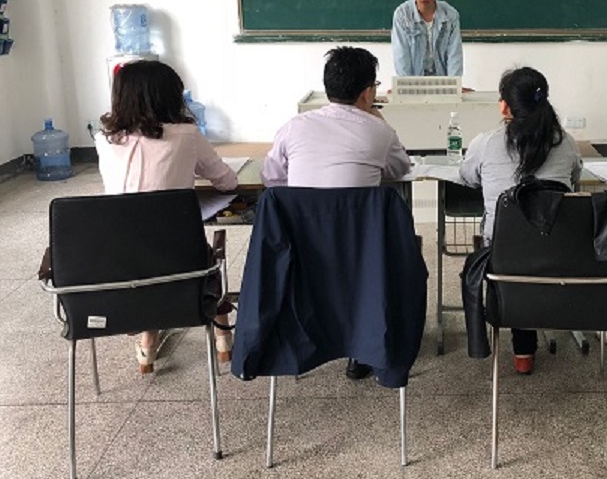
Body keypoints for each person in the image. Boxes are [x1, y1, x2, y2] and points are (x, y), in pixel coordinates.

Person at [261, 46, 411, 379]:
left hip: (301, 258)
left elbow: (271, 179)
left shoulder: (293, 127)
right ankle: (362, 348)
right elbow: (401, 169)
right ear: (368, 92)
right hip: (362, 261)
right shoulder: (379, 132)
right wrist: (378, 120)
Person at [95, 60, 238, 374]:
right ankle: (223, 336)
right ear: (170, 96)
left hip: (120, 263)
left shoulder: (104, 140)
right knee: (202, 253)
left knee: (144, 245)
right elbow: (227, 182)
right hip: (181, 261)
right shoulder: (187, 134)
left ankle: (148, 341)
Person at [459, 67, 582, 375]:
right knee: (531, 243)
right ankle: (526, 348)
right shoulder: (566, 143)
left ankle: (523, 352)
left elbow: (467, 177)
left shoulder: (485, 143)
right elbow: (574, 180)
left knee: (515, 245)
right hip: (556, 252)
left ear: (505, 106)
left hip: (502, 258)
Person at [391, 0, 463, 77]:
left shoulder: (450, 15)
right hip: (413, 79)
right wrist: (405, 83)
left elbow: (454, 53)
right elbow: (401, 53)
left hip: (442, 79)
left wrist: (454, 83)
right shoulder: (402, 14)